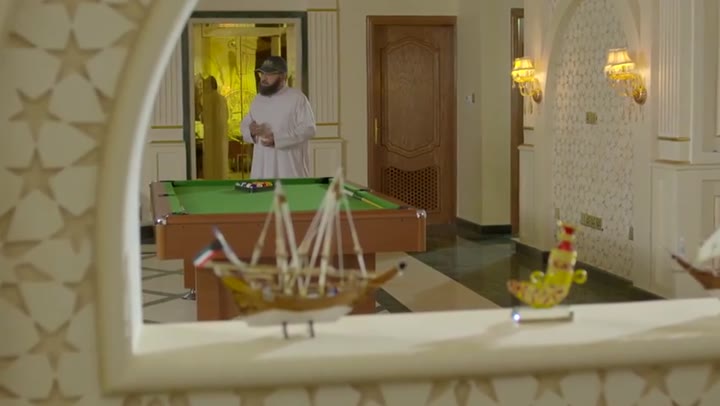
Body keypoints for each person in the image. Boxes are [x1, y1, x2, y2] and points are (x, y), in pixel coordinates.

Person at [240, 56, 316, 179]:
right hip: (261, 169)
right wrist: (251, 130)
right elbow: (245, 125)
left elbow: (309, 129)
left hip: (289, 168)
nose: (264, 78)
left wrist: (277, 139)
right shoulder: (257, 100)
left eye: (269, 74)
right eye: (262, 74)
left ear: (283, 77)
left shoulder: (297, 98)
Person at [201, 75, 229, 179]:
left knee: (211, 158)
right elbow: (227, 116)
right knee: (220, 157)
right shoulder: (222, 99)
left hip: (212, 135)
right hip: (221, 134)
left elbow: (205, 118)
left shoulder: (207, 99)